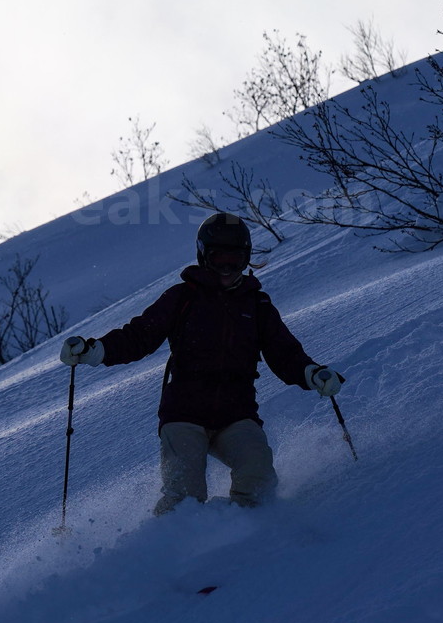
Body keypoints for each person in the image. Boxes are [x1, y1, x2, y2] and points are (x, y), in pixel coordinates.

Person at [60, 212, 343, 514]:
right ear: (202, 256)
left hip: (236, 414)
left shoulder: (256, 305)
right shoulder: (183, 297)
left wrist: (312, 374)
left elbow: (284, 353)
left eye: (234, 259)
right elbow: (140, 335)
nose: (226, 268)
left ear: (246, 259)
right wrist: (95, 350)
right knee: (186, 496)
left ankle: (249, 542)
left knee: (257, 475)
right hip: (184, 414)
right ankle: (168, 547)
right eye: (218, 258)